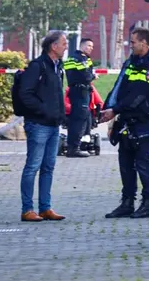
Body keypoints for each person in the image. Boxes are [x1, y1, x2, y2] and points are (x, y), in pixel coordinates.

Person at [100, 27, 149, 219]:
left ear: (144, 43)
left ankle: (147, 204)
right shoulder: (131, 64)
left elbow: (138, 96)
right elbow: (119, 86)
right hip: (126, 121)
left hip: (142, 123)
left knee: (144, 164)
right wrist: (106, 108)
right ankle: (127, 202)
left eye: (134, 41)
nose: (131, 45)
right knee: (126, 164)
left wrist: (115, 110)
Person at [18, 30, 67, 223]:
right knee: (33, 166)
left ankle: (45, 208)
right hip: (38, 124)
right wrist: (44, 111)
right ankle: (27, 209)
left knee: (48, 167)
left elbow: (56, 94)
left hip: (53, 125)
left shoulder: (57, 66)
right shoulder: (37, 66)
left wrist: (61, 115)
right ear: (53, 46)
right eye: (63, 43)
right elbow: (26, 94)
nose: (65, 47)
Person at [63, 37, 97, 157]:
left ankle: (73, 146)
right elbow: (86, 76)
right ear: (82, 46)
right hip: (81, 91)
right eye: (89, 46)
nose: (91, 48)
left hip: (75, 90)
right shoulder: (80, 58)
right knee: (79, 120)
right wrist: (93, 76)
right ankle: (74, 148)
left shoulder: (72, 57)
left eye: (92, 46)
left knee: (76, 119)